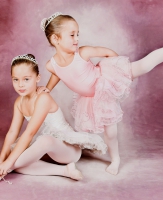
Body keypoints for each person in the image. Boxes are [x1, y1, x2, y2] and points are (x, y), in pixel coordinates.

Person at [39, 12, 163, 175]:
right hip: (92, 98)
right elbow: (57, 74)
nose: (77, 39)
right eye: (72, 35)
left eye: (77, 34)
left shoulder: (83, 52)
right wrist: (48, 88)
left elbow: (106, 52)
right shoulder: (51, 65)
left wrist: (116, 67)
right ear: (55, 39)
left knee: (143, 66)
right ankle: (103, 155)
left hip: (104, 82)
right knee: (107, 131)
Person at [0, 54, 107, 183]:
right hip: (48, 153)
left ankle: (8, 167)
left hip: (68, 150)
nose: (20, 84)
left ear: (37, 78)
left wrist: (7, 163)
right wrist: (2, 159)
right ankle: (64, 171)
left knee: (40, 143)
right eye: (15, 79)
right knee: (16, 158)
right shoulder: (19, 102)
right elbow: (12, 132)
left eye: (26, 79)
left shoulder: (43, 98)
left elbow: (30, 133)